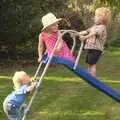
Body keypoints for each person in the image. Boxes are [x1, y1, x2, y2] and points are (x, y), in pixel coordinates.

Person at [79, 7, 111, 76]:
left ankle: (92, 76)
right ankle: (88, 74)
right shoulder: (95, 26)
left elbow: (94, 33)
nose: (94, 17)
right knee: (89, 62)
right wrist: (81, 32)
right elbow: (88, 30)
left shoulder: (102, 27)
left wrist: (85, 37)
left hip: (96, 49)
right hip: (91, 48)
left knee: (92, 63)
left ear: (102, 18)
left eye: (96, 16)